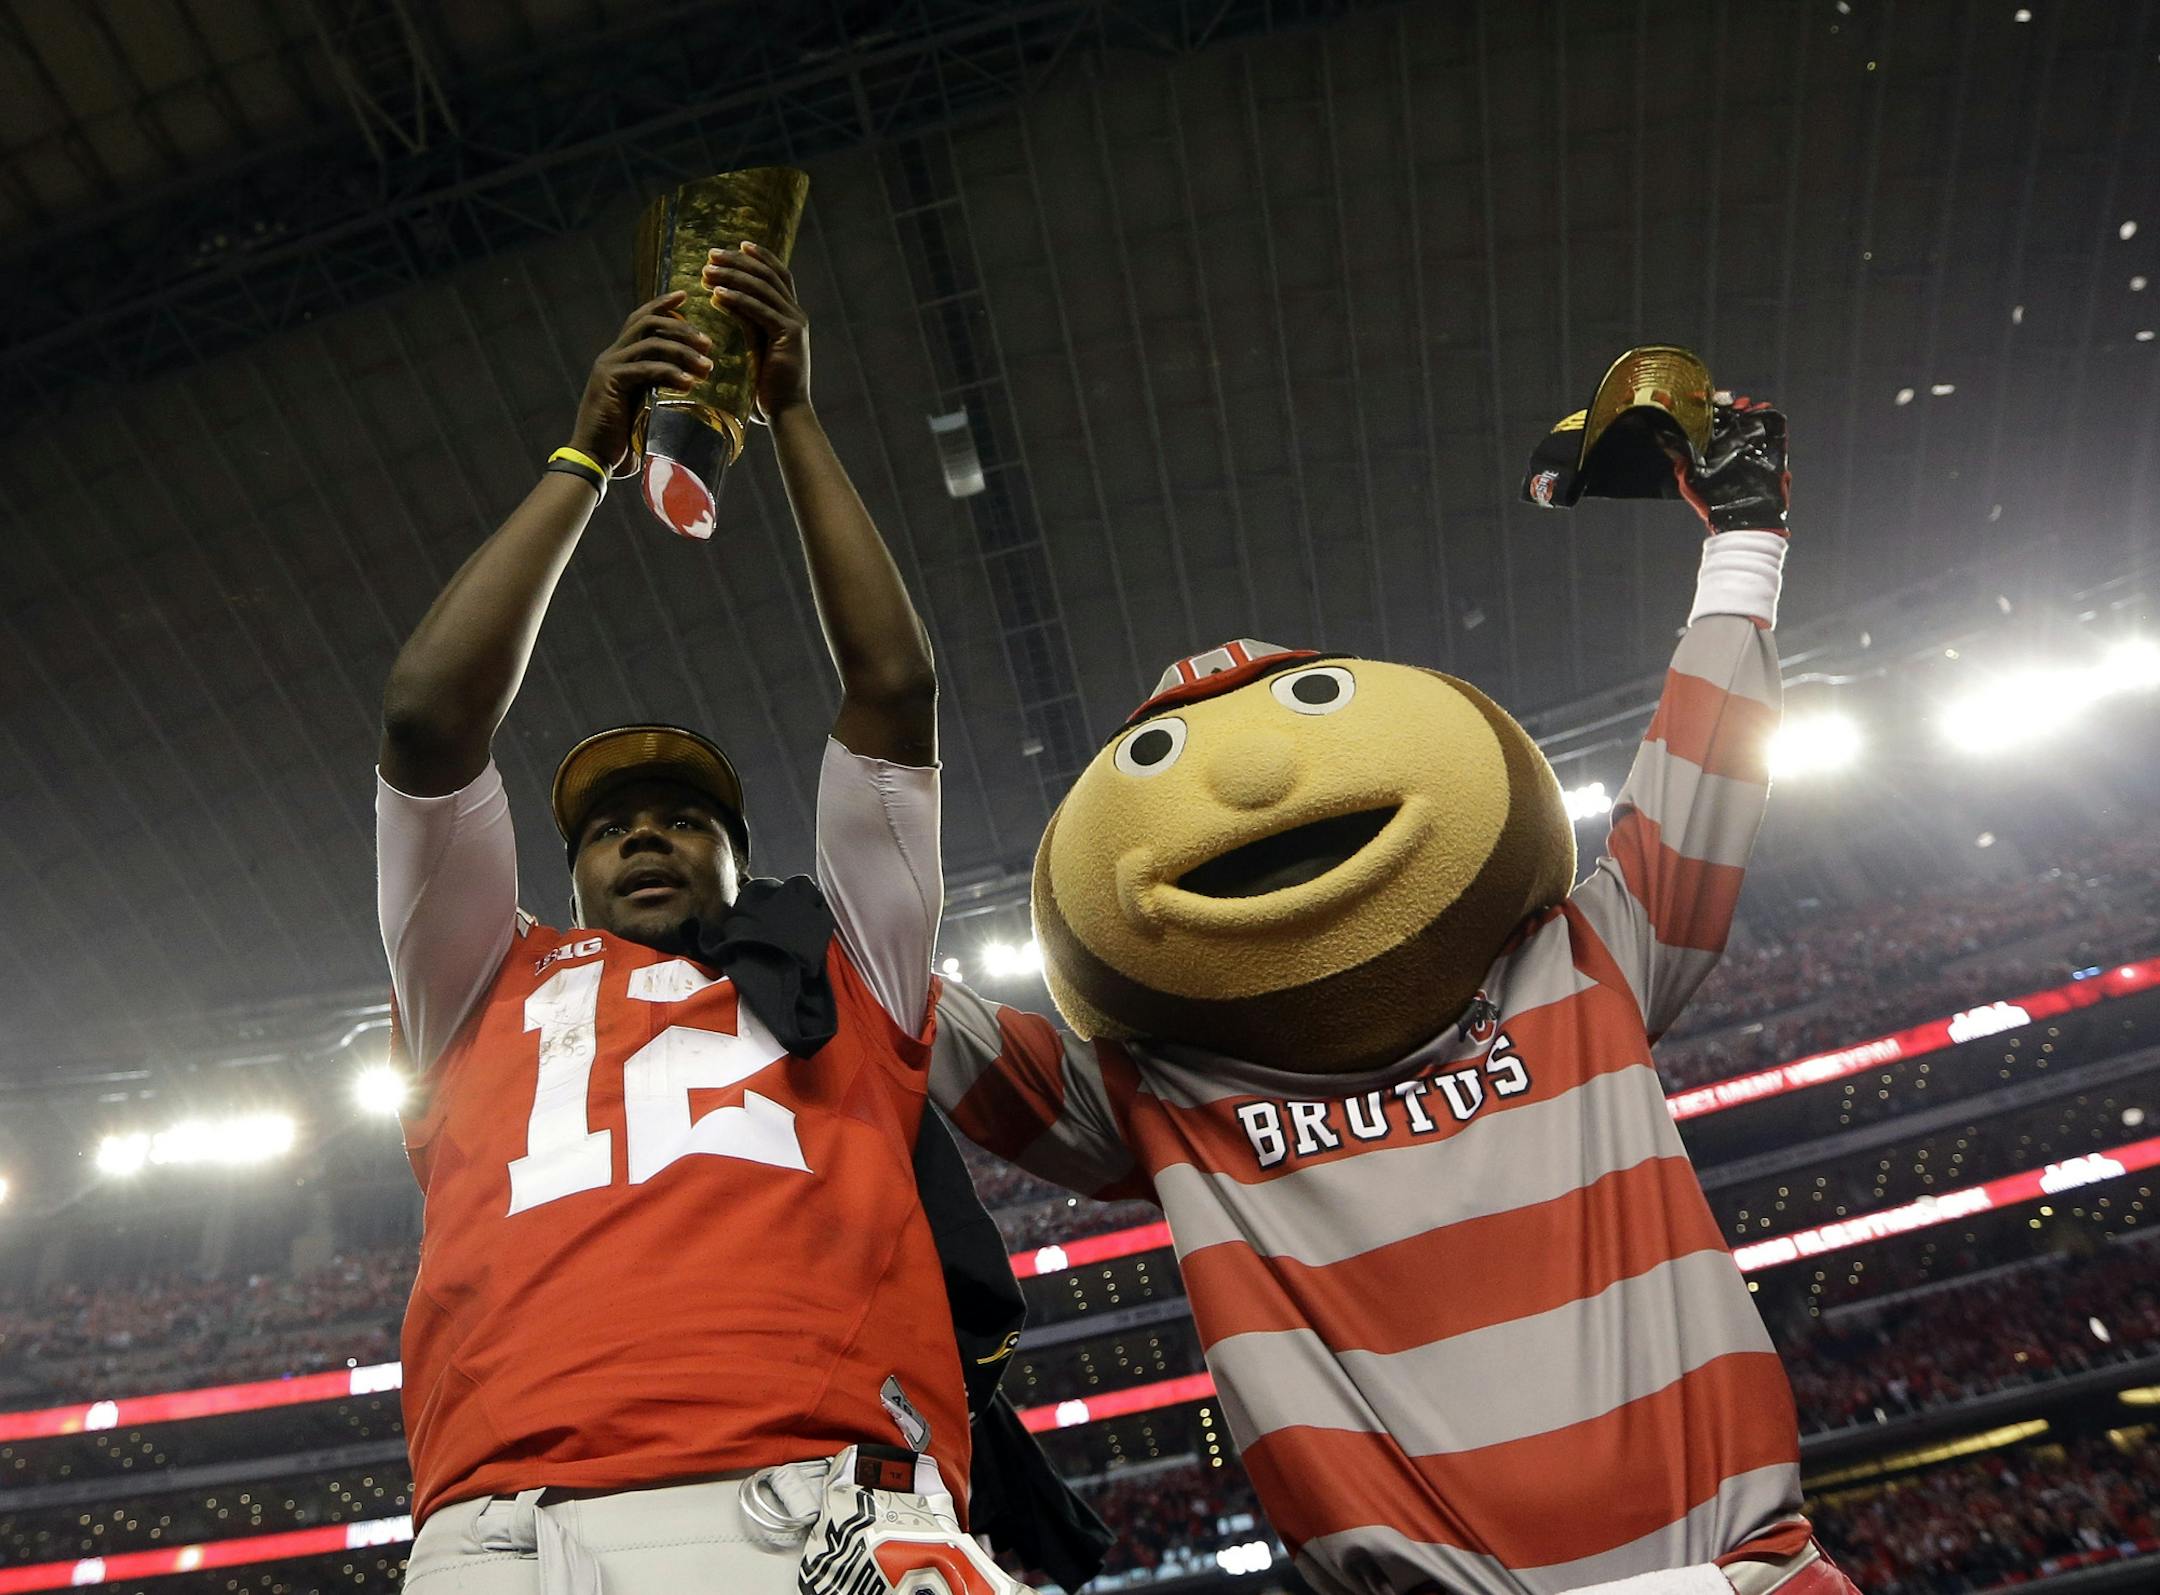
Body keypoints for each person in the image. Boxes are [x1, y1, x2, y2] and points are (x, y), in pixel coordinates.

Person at [929, 401, 1865, 1594]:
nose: (1258, 780)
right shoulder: (1160, 1092)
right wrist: (768, 913)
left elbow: (1703, 774)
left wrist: (1744, 541)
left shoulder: (1580, 959)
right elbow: (897, 990)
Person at [376, 240, 1027, 1593]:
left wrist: (792, 413)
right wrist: (583, 460)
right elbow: (429, 721)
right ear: (563, 880)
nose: (647, 831)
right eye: (610, 825)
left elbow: (894, 688)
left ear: (746, 859)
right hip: (515, 1524)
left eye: (686, 817)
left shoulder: (853, 963)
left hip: (833, 1501)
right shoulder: (478, 982)